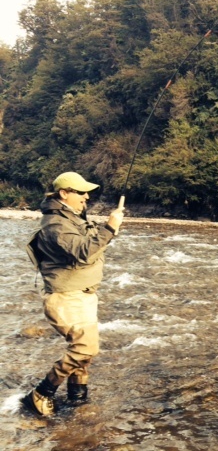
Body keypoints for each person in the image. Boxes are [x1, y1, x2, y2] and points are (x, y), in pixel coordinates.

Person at [22, 171, 124, 416]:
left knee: (83, 353)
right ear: (64, 194)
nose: (86, 196)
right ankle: (41, 393)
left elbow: (86, 243)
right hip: (66, 297)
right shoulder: (56, 225)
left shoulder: (70, 217)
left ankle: (77, 400)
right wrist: (110, 227)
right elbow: (83, 252)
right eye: (81, 192)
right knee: (85, 348)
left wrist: (107, 230)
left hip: (82, 295)